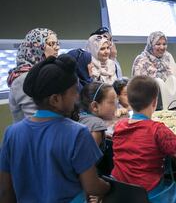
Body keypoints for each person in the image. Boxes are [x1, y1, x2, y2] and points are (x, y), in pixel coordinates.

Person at [0, 54, 110, 203]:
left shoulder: (11, 133)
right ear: (55, 99)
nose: (77, 96)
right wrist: (107, 187)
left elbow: (6, 191)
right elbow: (92, 187)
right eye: (74, 92)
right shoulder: (77, 133)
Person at [111, 75, 176, 202]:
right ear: (155, 102)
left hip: (120, 190)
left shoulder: (119, 126)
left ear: (129, 101)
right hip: (149, 193)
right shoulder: (158, 130)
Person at [7, 28, 60, 123]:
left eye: (57, 43)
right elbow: (36, 120)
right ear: (37, 47)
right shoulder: (24, 79)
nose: (57, 47)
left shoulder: (41, 74)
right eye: (51, 44)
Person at [131, 31, 176, 100]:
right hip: (149, 102)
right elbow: (137, 86)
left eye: (164, 44)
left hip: (171, 99)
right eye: (158, 44)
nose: (162, 47)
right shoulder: (141, 60)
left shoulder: (168, 56)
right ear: (151, 45)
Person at [78, 82, 117, 149]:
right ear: (95, 106)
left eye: (116, 102)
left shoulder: (80, 116)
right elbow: (88, 157)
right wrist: (98, 131)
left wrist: (103, 135)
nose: (116, 106)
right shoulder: (97, 125)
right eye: (112, 102)